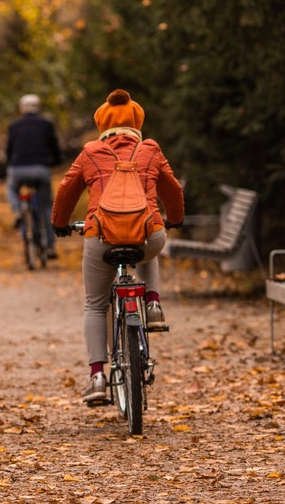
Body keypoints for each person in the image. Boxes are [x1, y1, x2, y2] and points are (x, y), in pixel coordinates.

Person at [50, 89, 184, 405]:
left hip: (100, 236)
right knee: (150, 233)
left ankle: (97, 377)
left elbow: (66, 192)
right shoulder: (150, 150)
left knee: (95, 304)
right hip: (146, 236)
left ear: (102, 125)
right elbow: (173, 190)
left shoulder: (91, 152)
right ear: (137, 122)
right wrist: (174, 219)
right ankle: (152, 303)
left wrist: (60, 224)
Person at [5, 93, 63, 257]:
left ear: (21, 108)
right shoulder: (46, 124)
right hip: (40, 169)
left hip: (18, 169)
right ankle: (50, 246)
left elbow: (9, 149)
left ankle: (17, 211)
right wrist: (57, 161)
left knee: (11, 187)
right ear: (38, 108)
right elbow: (54, 146)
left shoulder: (14, 125)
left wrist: (10, 163)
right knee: (45, 207)